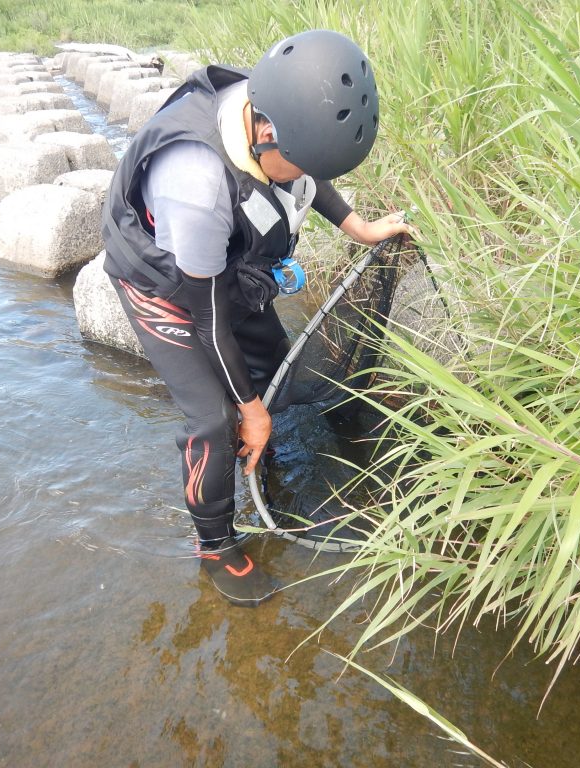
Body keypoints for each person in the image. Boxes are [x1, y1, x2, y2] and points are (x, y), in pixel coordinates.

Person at [102, 29, 413, 607]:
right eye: (297, 162)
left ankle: (259, 448)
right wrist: (247, 411)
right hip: (166, 283)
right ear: (263, 132)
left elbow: (308, 176)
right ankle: (214, 543)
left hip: (227, 266)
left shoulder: (281, 112)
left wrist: (360, 228)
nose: (304, 173)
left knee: (271, 368)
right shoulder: (195, 182)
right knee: (214, 421)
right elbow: (208, 316)